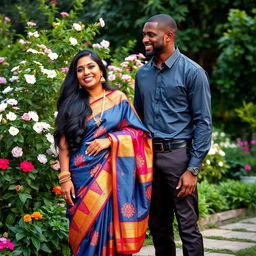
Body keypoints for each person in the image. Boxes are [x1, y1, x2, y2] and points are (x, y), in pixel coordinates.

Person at [54, 49, 153, 256]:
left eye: (90, 66)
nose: (86, 72)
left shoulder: (119, 99)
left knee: (111, 232)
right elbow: (63, 145)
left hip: (114, 179)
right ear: (76, 76)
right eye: (80, 69)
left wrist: (110, 140)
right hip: (81, 179)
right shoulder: (71, 104)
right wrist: (65, 178)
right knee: (83, 235)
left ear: (101, 70)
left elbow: (140, 134)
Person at [134, 14, 212, 256]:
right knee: (158, 226)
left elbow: (203, 123)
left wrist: (192, 169)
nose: (145, 39)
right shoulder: (142, 75)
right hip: (149, 158)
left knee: (187, 227)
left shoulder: (193, 72)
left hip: (179, 158)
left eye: (150, 35)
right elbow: (137, 119)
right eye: (144, 34)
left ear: (168, 36)